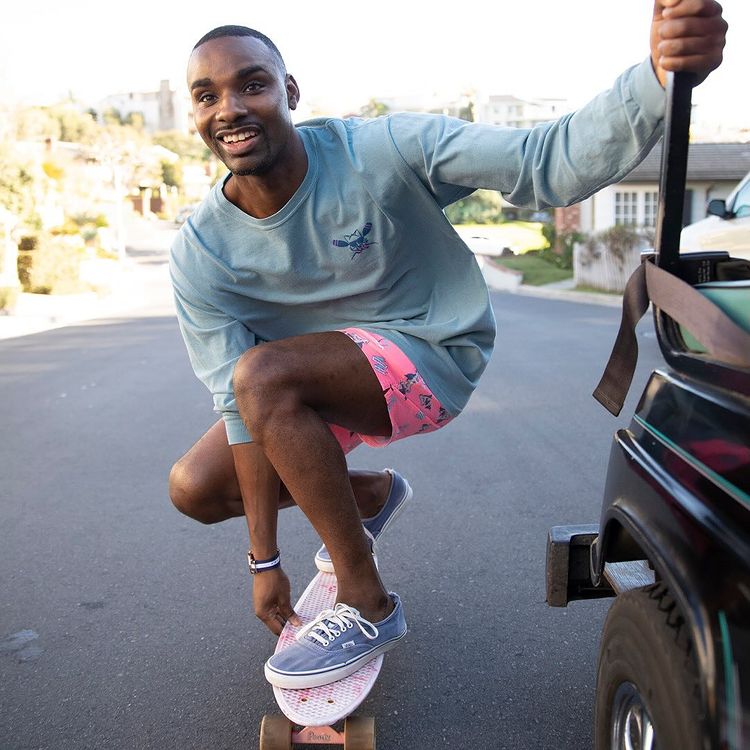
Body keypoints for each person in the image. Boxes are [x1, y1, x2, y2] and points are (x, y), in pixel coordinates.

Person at [168, 0, 727, 689]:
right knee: (195, 486)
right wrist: (263, 561)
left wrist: (656, 75)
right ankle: (364, 494)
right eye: (206, 95)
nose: (229, 108)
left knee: (263, 376)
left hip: (428, 356)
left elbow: (543, 160)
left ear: (289, 92)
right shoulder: (201, 250)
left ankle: (366, 600)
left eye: (251, 84)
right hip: (306, 389)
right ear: (191, 115)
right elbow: (236, 406)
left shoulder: (382, 150)